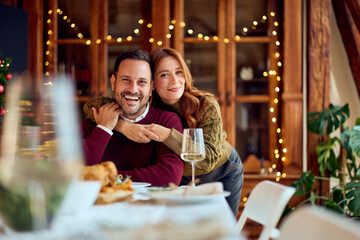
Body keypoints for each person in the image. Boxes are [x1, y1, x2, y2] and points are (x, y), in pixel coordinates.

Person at [115, 48, 243, 216]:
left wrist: (167, 135)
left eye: (179, 72)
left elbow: (206, 160)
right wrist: (122, 126)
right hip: (182, 177)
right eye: (164, 75)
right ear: (152, 83)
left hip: (222, 171)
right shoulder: (145, 103)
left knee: (220, 228)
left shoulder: (206, 105)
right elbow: (93, 106)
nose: (175, 81)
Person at [81, 50, 184, 187]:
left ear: (151, 87)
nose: (133, 89)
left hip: (151, 207)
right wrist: (104, 128)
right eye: (126, 80)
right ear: (113, 82)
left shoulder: (167, 122)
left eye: (142, 82)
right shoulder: (94, 120)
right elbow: (74, 171)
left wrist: (104, 178)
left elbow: (169, 177)